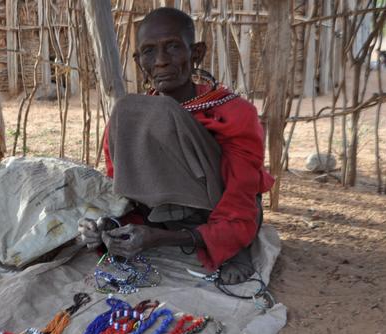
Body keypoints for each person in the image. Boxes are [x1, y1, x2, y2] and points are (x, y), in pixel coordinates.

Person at [77, 8, 273, 285]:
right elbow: (124, 188)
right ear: (138, 60)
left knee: (161, 112)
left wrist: (163, 239)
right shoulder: (131, 118)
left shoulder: (234, 112)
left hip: (221, 210)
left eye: (172, 47)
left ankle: (232, 247)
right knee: (127, 109)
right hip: (159, 214)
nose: (160, 61)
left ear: (196, 53)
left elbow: (241, 196)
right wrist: (109, 226)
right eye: (148, 51)